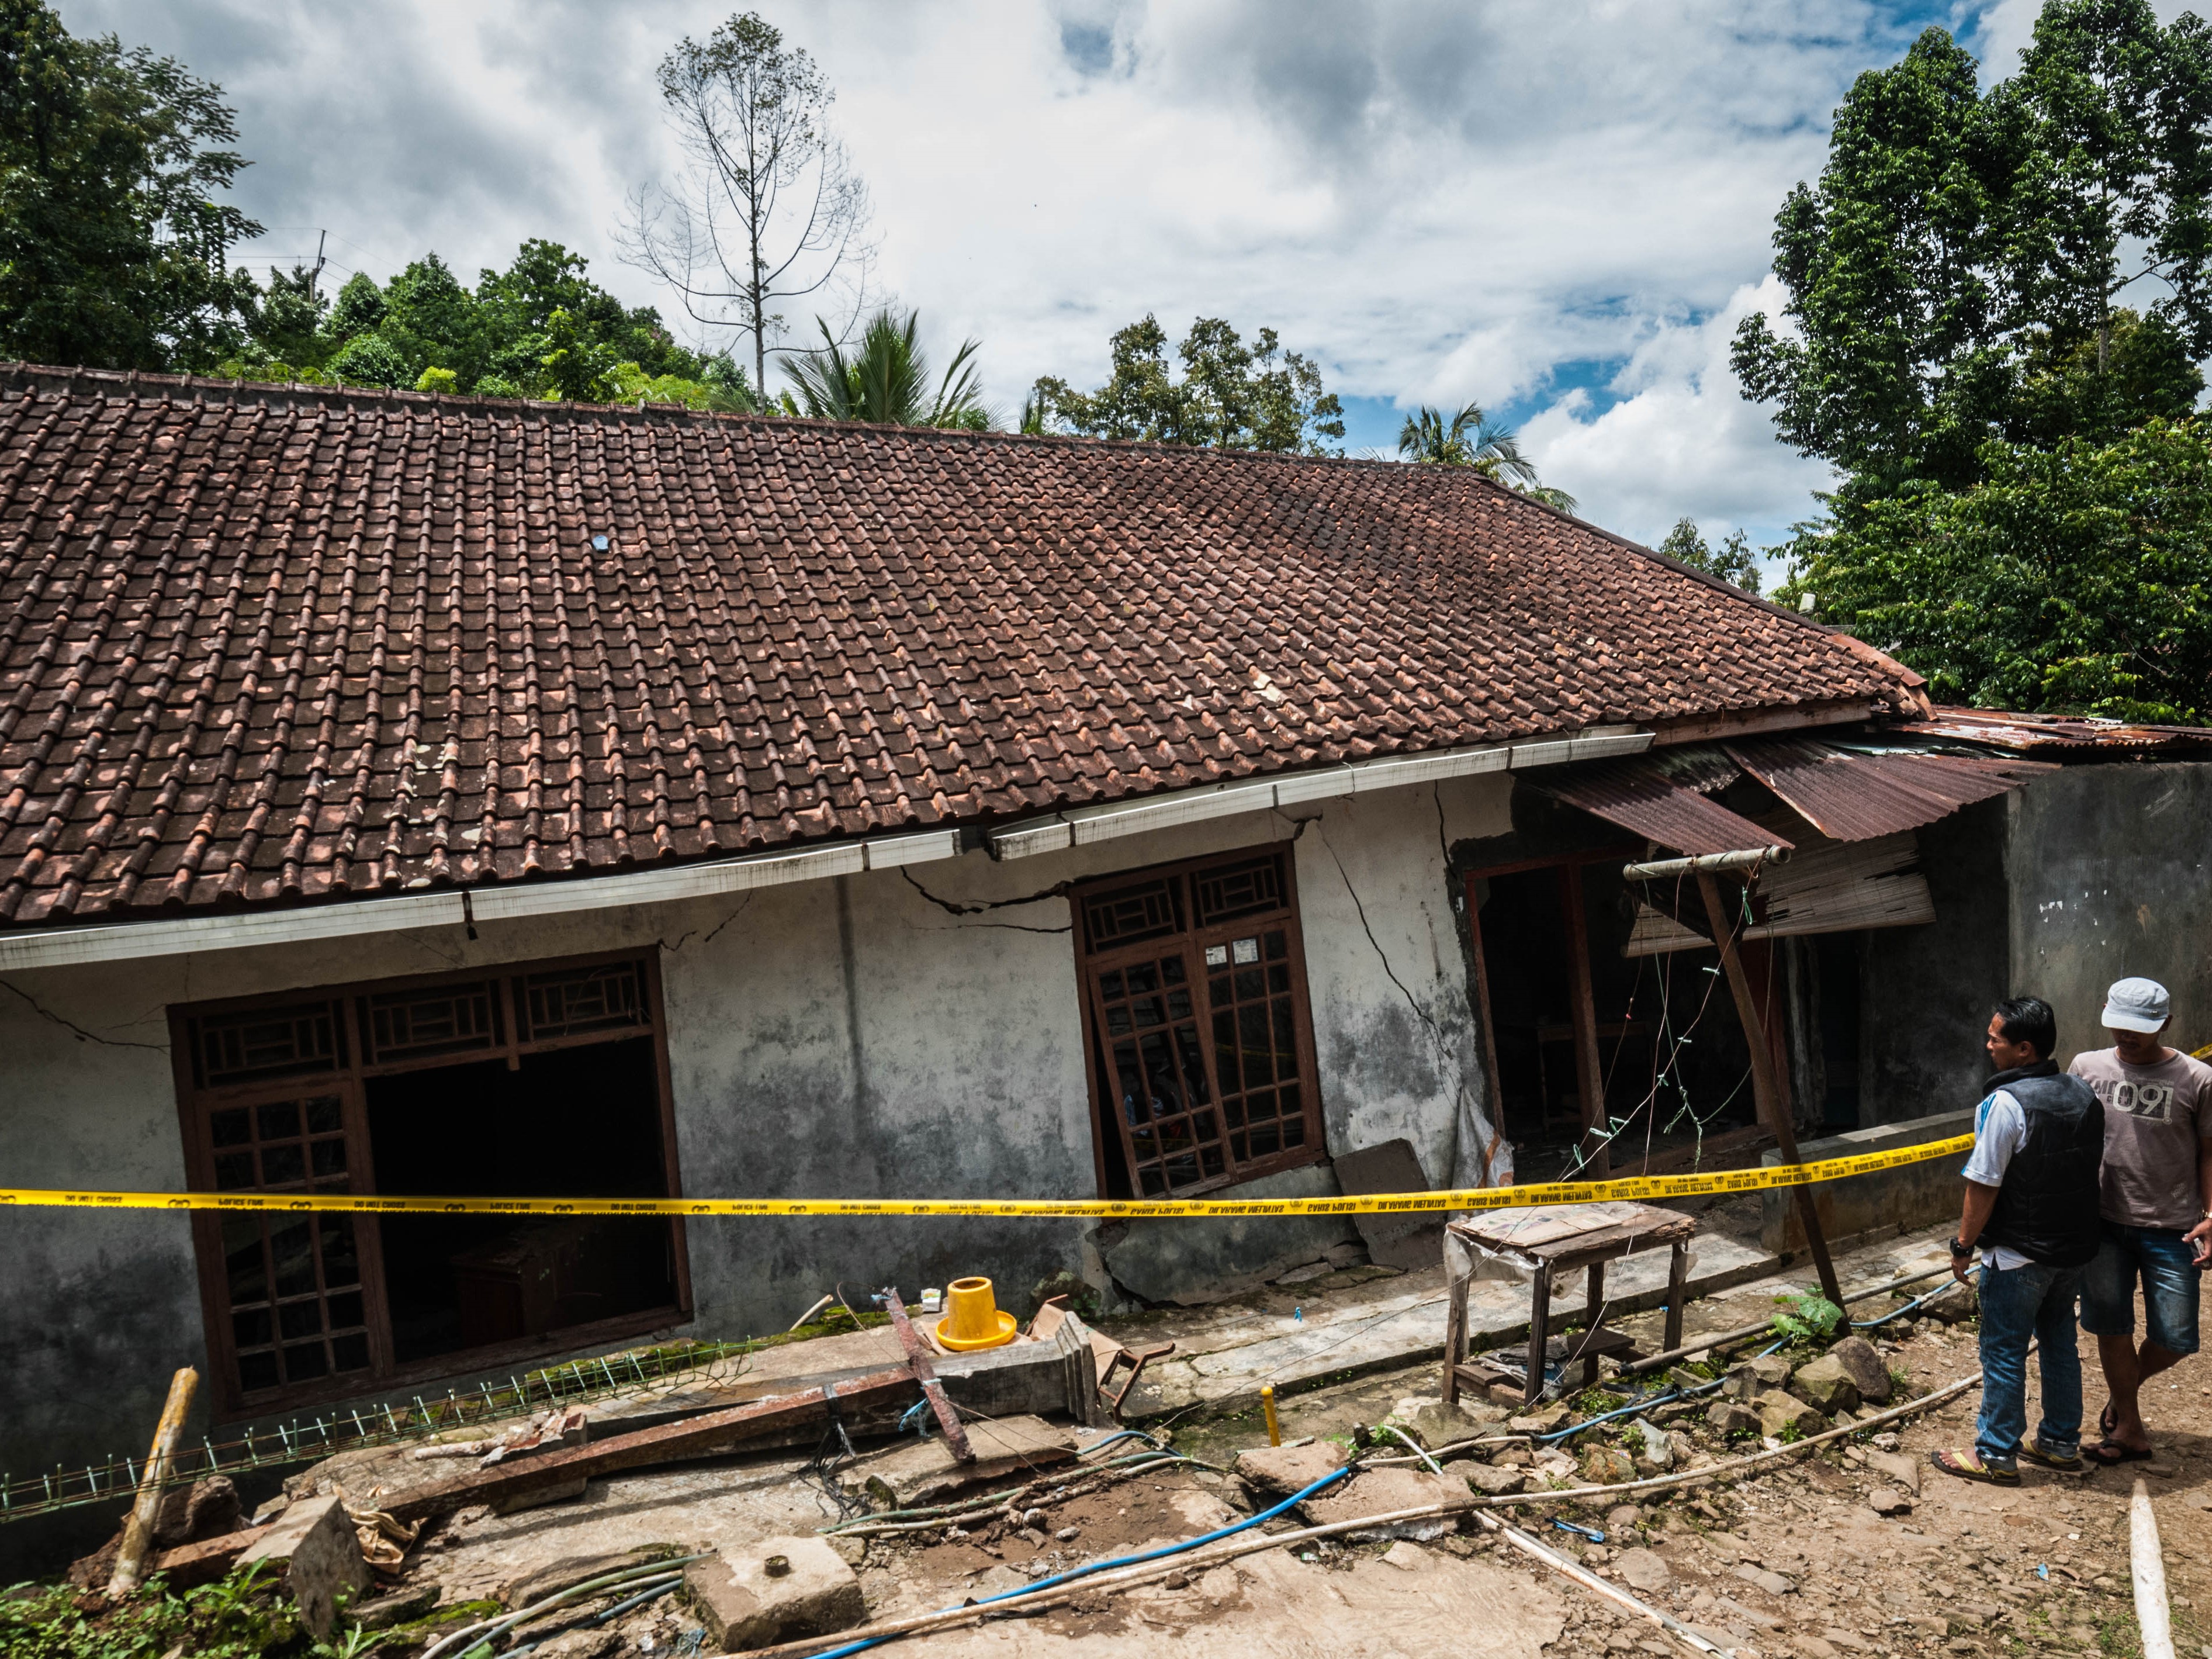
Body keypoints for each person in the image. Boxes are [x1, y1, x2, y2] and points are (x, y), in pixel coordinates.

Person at [1930, 996, 2104, 1485]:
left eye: (1995, 1039)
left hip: (2017, 1254)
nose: (1987, 1045)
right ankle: (2059, 1443)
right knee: (2058, 1342)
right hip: (2071, 1249)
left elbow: (1982, 1183)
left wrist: (1963, 1245)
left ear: (2024, 1049)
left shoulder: (2005, 1103)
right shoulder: (2082, 1094)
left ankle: (1995, 1453)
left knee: (2003, 1350)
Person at [2073, 976, 2212, 1466]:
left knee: (2176, 1337)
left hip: (2172, 1224)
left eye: (2138, 1029)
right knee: (2110, 1324)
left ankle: (2119, 1396)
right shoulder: (2086, 1067)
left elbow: (2208, 1153)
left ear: (2165, 1024)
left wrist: (2211, 1216)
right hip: (2103, 1221)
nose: (2125, 1037)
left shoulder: (2196, 1078)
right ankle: (2129, 1429)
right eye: (2117, 1026)